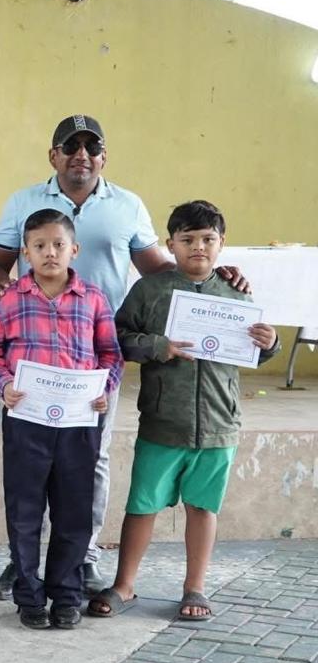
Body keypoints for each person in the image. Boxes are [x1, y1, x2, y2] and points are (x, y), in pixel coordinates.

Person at [0, 114, 245, 597]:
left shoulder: (128, 205)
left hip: (96, 356)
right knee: (28, 471)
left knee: (91, 460)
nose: (81, 154)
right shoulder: (22, 201)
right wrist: (5, 292)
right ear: (54, 155)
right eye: (71, 146)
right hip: (32, 362)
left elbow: (160, 270)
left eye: (92, 146)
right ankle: (22, 563)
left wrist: (213, 275)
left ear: (104, 156)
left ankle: (82, 558)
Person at [89, 201, 278, 622]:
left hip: (218, 422)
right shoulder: (150, 290)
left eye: (208, 239)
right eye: (187, 239)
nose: (198, 247)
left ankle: (195, 587)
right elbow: (118, 337)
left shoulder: (235, 292)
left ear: (222, 243)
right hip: (163, 421)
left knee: (203, 507)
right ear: (170, 244)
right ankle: (125, 584)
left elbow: (250, 350)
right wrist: (158, 346)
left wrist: (270, 345)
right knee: (143, 505)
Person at [0, 209, 122, 630]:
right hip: (27, 420)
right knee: (24, 511)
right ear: (25, 253)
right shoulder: (10, 300)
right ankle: (28, 596)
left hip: (78, 423)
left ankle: (66, 595)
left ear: (74, 249)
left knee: (73, 512)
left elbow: (111, 354)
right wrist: (4, 384)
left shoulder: (94, 299)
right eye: (39, 246)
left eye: (58, 244)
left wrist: (104, 387)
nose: (50, 253)